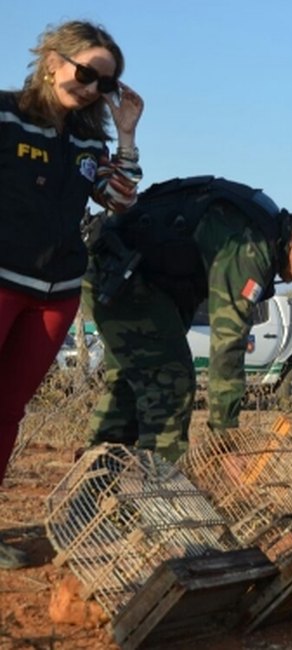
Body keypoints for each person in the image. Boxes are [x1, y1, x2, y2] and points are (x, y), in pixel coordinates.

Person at [0, 20, 143, 570]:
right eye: (87, 73)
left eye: (105, 84)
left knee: (7, 411)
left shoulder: (91, 139)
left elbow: (120, 200)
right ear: (52, 61)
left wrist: (126, 133)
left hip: (55, 294)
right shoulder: (7, 112)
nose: (93, 89)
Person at [84, 176, 292, 463]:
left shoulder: (264, 226)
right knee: (171, 381)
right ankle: (157, 494)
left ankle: (96, 488)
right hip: (118, 276)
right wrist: (224, 437)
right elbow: (228, 345)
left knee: (130, 385)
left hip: (121, 273)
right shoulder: (252, 246)